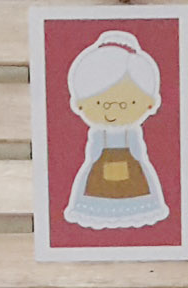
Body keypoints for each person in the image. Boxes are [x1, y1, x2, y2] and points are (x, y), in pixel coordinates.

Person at [62, 30, 170, 231]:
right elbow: (93, 155)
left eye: (125, 104)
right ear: (81, 103)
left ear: (148, 103)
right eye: (101, 103)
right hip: (101, 169)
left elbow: (137, 153)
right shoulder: (98, 133)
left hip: (130, 169)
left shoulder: (131, 132)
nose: (112, 111)